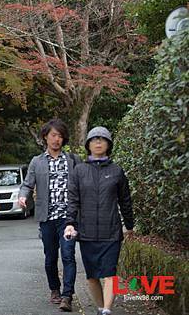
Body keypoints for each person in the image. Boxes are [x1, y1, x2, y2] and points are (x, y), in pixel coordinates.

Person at [64, 127, 134, 315]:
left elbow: (125, 200)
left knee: (110, 273)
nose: (98, 142)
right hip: (87, 233)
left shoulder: (117, 171)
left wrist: (129, 225)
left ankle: (107, 311)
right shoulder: (79, 171)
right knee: (92, 276)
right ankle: (101, 307)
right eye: (94, 139)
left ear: (108, 144)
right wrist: (70, 223)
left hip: (111, 231)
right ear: (88, 144)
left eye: (102, 139)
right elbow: (73, 200)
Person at [18, 119, 79, 312]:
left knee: (68, 255)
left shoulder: (72, 160)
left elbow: (82, 184)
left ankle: (67, 295)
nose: (56, 139)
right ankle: (55, 289)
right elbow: (27, 184)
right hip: (46, 218)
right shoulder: (37, 161)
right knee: (50, 257)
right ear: (45, 137)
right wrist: (22, 197)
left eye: (60, 136)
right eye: (53, 135)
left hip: (68, 218)